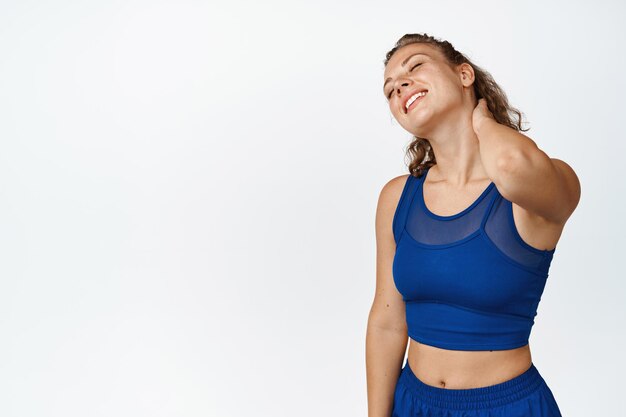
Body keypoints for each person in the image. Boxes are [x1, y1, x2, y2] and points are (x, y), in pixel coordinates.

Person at [365, 33, 580, 417]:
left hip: (506, 406)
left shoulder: (538, 186)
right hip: (413, 403)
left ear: (464, 74)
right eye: (390, 89)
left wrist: (481, 121)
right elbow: (386, 321)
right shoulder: (396, 198)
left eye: (415, 66)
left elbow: (511, 166)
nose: (399, 86)